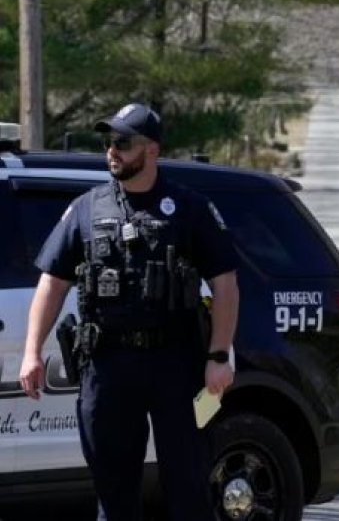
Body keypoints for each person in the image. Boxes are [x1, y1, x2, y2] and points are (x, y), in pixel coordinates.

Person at [18, 102, 240, 521]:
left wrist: (218, 355)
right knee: (113, 493)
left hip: (178, 364)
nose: (112, 151)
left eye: (123, 142)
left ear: (151, 150)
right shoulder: (86, 209)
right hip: (108, 366)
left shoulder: (189, 208)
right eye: (108, 142)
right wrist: (32, 351)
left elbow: (226, 284)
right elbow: (53, 281)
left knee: (188, 486)